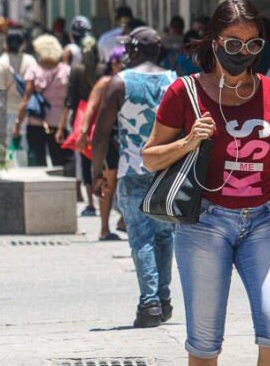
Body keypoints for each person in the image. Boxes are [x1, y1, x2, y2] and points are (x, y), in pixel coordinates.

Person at [142, 0, 270, 365]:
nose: (243, 52)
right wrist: (189, 139)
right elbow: (150, 158)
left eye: (252, 44)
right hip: (204, 224)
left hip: (263, 220)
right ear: (213, 41)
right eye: (232, 43)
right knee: (205, 342)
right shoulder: (184, 92)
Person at [91, 26, 177, 328]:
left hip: (132, 170)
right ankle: (163, 299)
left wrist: (97, 174)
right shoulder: (174, 81)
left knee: (141, 238)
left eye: (129, 49)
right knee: (165, 237)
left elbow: (101, 134)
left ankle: (150, 303)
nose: (126, 54)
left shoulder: (119, 83)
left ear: (136, 50)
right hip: (168, 170)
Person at [77, 46, 126, 240]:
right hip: (110, 137)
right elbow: (90, 108)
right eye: (116, 62)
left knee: (128, 181)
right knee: (108, 182)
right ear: (111, 64)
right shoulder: (105, 82)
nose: (120, 65)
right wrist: (83, 132)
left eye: (123, 62)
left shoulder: (130, 81)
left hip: (127, 137)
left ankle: (123, 220)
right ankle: (104, 228)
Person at [58, 16, 99, 216]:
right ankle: (103, 197)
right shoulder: (102, 70)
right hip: (101, 120)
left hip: (81, 120)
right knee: (102, 160)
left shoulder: (76, 71)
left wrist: (60, 127)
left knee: (84, 160)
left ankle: (90, 201)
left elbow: (70, 101)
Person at [13, 34, 71, 167]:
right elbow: (68, 102)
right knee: (60, 164)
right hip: (59, 124)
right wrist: (63, 127)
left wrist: (17, 124)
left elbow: (26, 99)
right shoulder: (66, 71)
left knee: (37, 163)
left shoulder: (33, 70)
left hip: (36, 122)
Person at [0, 29, 39, 145]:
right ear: (23, 44)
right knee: (26, 150)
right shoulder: (31, 61)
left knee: (9, 151)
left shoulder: (1, 63)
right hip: (29, 113)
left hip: (7, 113)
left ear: (6, 44)